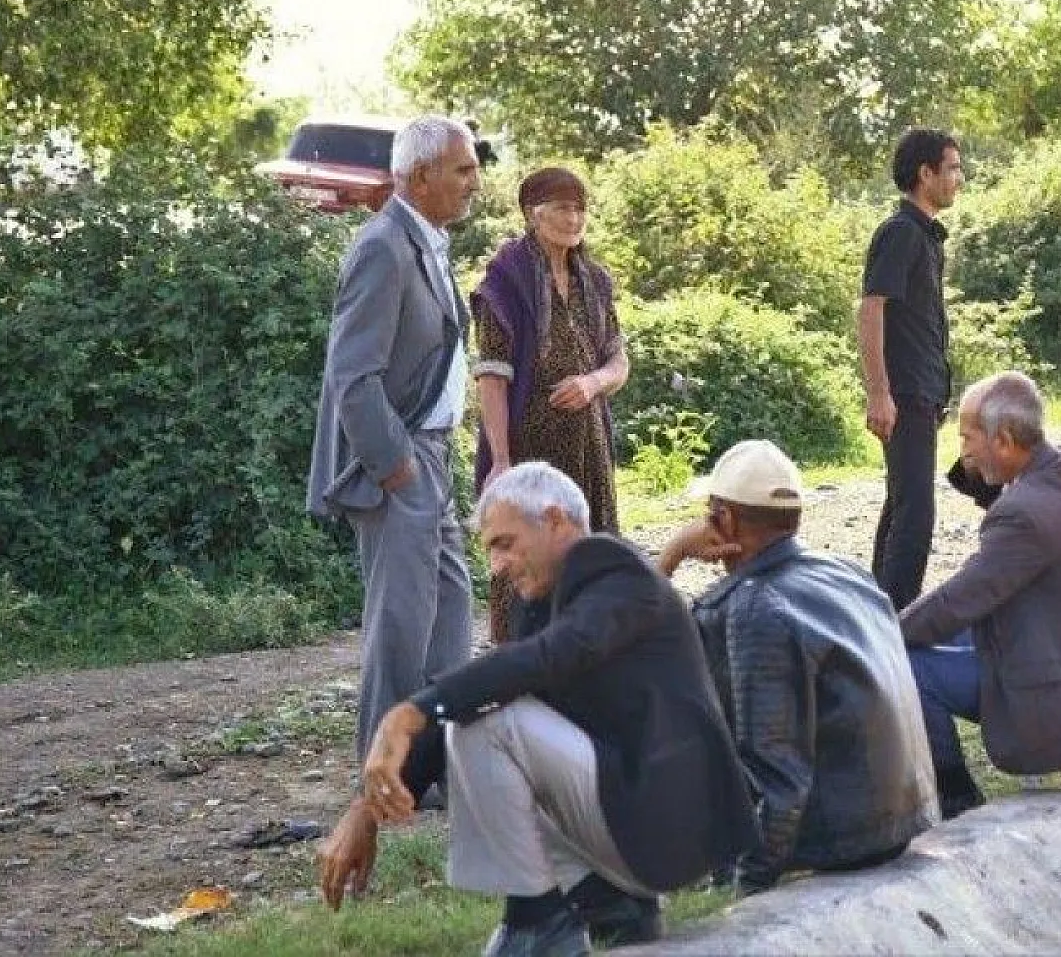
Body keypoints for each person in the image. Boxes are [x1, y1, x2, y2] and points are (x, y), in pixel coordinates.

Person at [316, 463, 760, 956]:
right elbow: (505, 679)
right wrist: (366, 808)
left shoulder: (613, 570)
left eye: (505, 543)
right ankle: (609, 906)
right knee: (482, 712)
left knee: (487, 724)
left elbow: (546, 658)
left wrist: (408, 713)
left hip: (671, 826)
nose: (497, 566)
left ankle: (538, 921)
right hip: (639, 820)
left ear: (554, 521)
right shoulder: (551, 596)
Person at [657, 440, 939, 893]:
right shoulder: (847, 571)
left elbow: (779, 780)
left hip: (842, 844)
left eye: (711, 511)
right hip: (904, 822)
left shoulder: (755, 606)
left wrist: (749, 891)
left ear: (725, 520)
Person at [307, 114, 478, 760]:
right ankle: (387, 777)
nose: (474, 182)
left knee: (450, 619)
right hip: (403, 463)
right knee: (401, 629)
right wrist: (395, 466)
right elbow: (353, 375)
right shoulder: (383, 244)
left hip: (432, 457)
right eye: (463, 169)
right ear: (422, 174)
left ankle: (429, 766)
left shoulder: (426, 241)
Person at [901, 371, 1061, 819]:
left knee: (906, 662)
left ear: (1006, 439)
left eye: (968, 439)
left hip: (1057, 699)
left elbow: (956, 603)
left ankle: (956, 801)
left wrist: (880, 632)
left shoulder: (1022, 514)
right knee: (936, 636)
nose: (964, 453)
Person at [471, 167, 629, 642]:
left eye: (580, 208)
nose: (574, 218)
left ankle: (589, 654)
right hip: (529, 449)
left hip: (589, 449)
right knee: (525, 554)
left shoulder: (594, 283)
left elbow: (618, 360)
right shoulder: (504, 284)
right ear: (532, 213)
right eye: (562, 207)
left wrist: (592, 382)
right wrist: (501, 461)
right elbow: (492, 378)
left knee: (590, 550)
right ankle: (519, 663)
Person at [858, 128, 965, 611]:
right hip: (903, 394)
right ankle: (898, 622)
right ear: (925, 174)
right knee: (916, 512)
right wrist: (879, 393)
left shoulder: (925, 235)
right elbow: (871, 309)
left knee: (903, 504)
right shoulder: (901, 232)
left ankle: (879, 612)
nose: (959, 179)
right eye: (953, 169)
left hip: (922, 392)